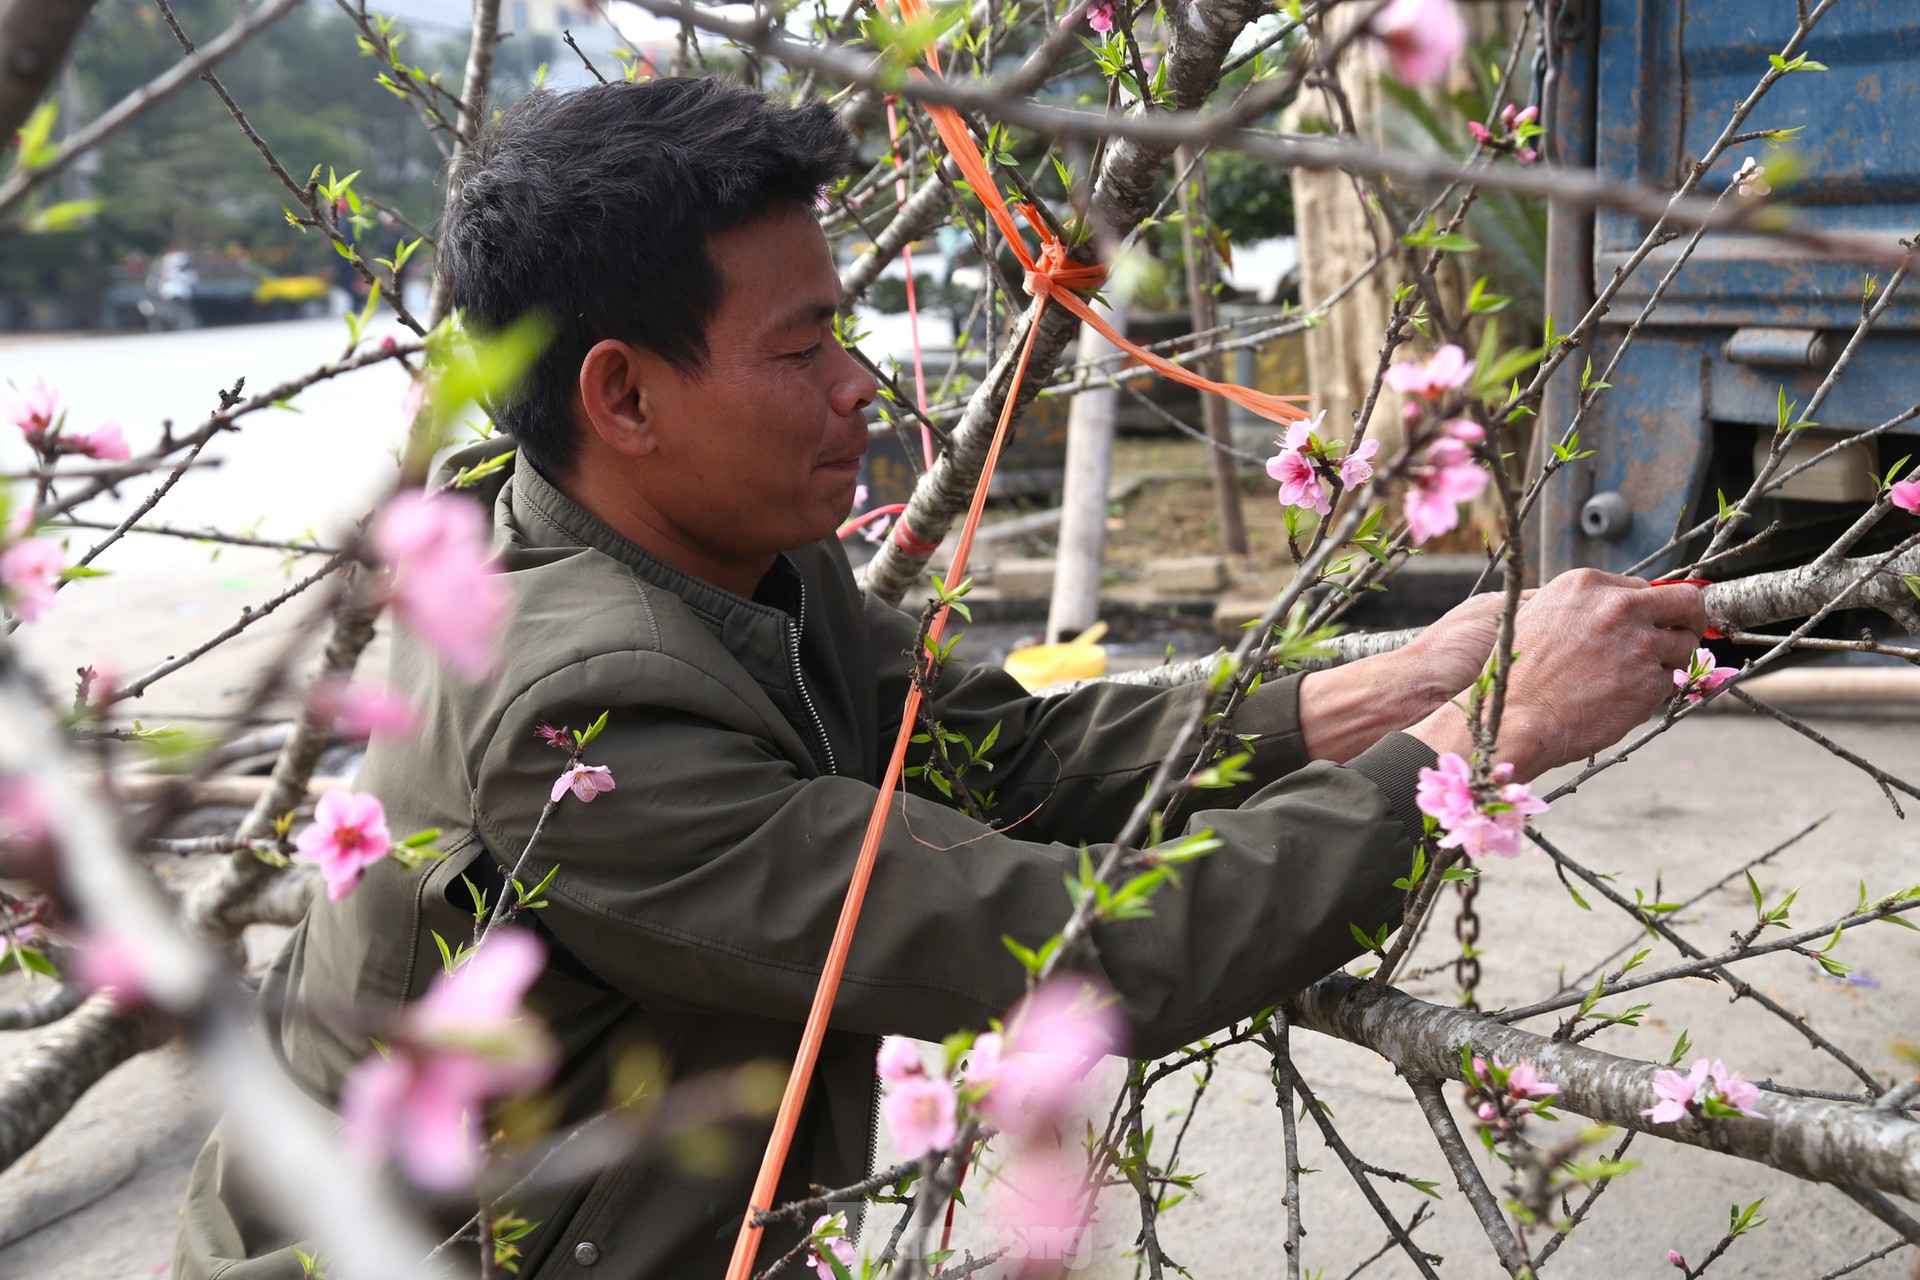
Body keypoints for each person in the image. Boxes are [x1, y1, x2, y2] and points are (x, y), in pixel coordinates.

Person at [176, 77, 1708, 1278]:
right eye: (806, 346)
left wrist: (1391, 686)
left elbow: (1010, 763)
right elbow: (1063, 951)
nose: (862, 386)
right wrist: (1477, 743)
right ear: (622, 394)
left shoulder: (733, 556)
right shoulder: (577, 716)